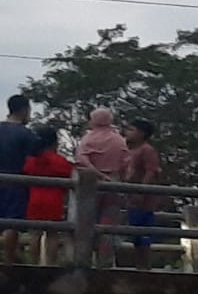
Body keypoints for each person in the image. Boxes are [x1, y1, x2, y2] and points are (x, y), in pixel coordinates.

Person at [74, 108, 129, 266]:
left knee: (85, 220)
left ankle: (83, 259)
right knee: (109, 223)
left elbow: (81, 159)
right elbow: (126, 163)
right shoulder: (119, 140)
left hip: (90, 184)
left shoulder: (88, 139)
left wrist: (96, 173)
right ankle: (105, 261)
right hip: (114, 182)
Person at [22, 127, 72, 266]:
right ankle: (50, 265)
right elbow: (70, 177)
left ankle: (32, 264)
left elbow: (26, 174)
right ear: (55, 142)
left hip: (34, 199)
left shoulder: (31, 160)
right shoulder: (60, 161)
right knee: (52, 234)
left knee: (34, 234)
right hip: (54, 200)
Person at [0, 94, 37, 266]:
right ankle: (9, 261)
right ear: (24, 110)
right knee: (12, 223)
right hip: (15, 183)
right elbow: (34, 161)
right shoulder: (26, 134)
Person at [123, 119, 162, 270]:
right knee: (136, 235)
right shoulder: (132, 150)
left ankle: (145, 267)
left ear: (142, 133)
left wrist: (142, 190)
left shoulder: (147, 150)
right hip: (133, 198)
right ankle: (140, 266)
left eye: (131, 130)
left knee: (143, 233)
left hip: (144, 200)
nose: (127, 133)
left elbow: (151, 170)